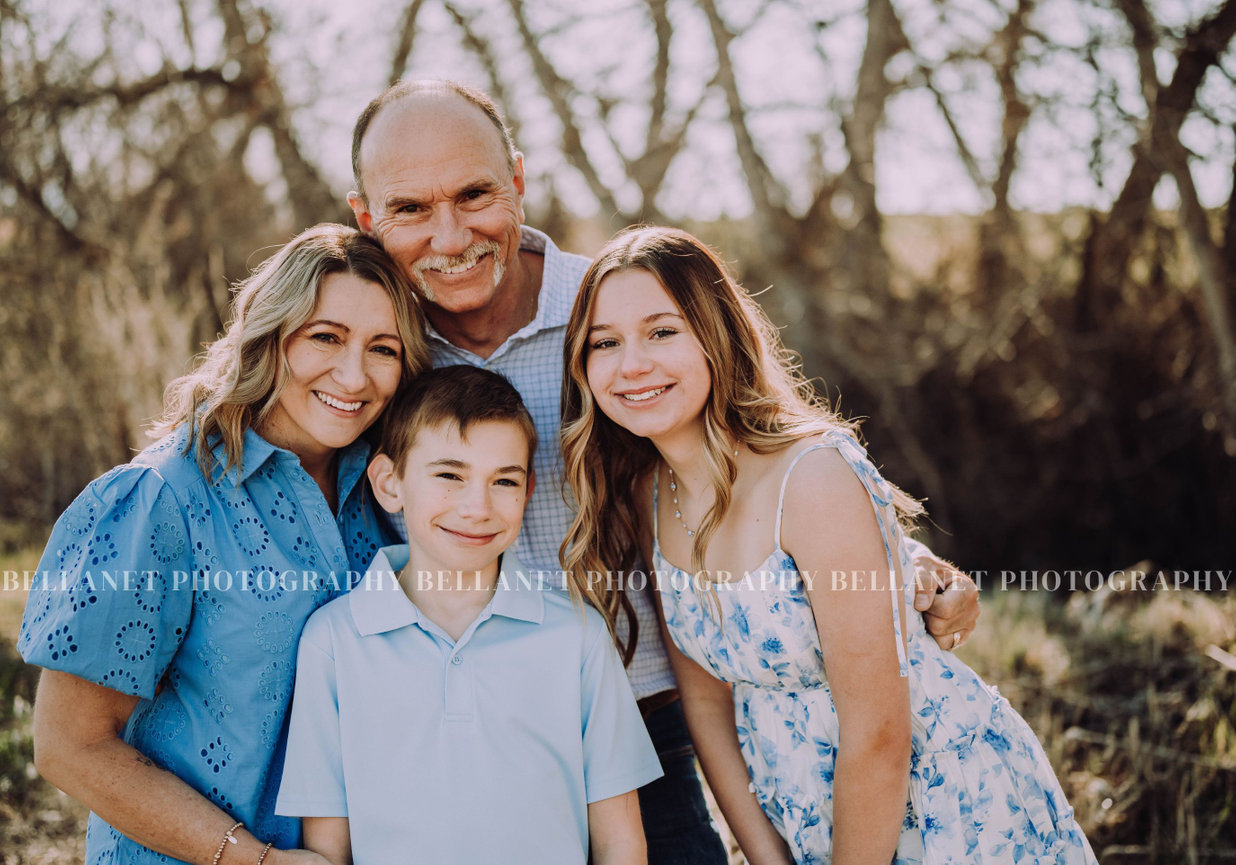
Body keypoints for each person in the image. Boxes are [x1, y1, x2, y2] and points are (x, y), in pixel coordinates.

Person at [346, 79, 982, 862]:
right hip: (460, 733)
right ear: (366, 218)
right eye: (410, 208)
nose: (450, 235)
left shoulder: (613, 317)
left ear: (516, 179)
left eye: (474, 194)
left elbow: (752, 458)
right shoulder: (371, 348)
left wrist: (898, 560)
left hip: (645, 718)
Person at [560, 225, 1098, 864]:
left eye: (662, 332)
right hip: (804, 819)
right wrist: (767, 856)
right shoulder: (648, 495)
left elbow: (878, 733)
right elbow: (705, 703)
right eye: (605, 342)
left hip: (941, 807)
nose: (632, 365)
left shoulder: (813, 479)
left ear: (715, 333)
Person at [18, 224, 430, 865]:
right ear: (269, 337)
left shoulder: (389, 489)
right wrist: (255, 861)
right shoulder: (162, 500)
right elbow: (70, 746)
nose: (354, 376)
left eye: (383, 349)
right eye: (325, 337)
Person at [275, 365, 661, 865]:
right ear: (390, 483)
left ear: (527, 491)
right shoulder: (333, 641)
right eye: (450, 476)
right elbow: (327, 847)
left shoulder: (577, 634)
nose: (478, 507)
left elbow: (621, 841)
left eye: (504, 480)